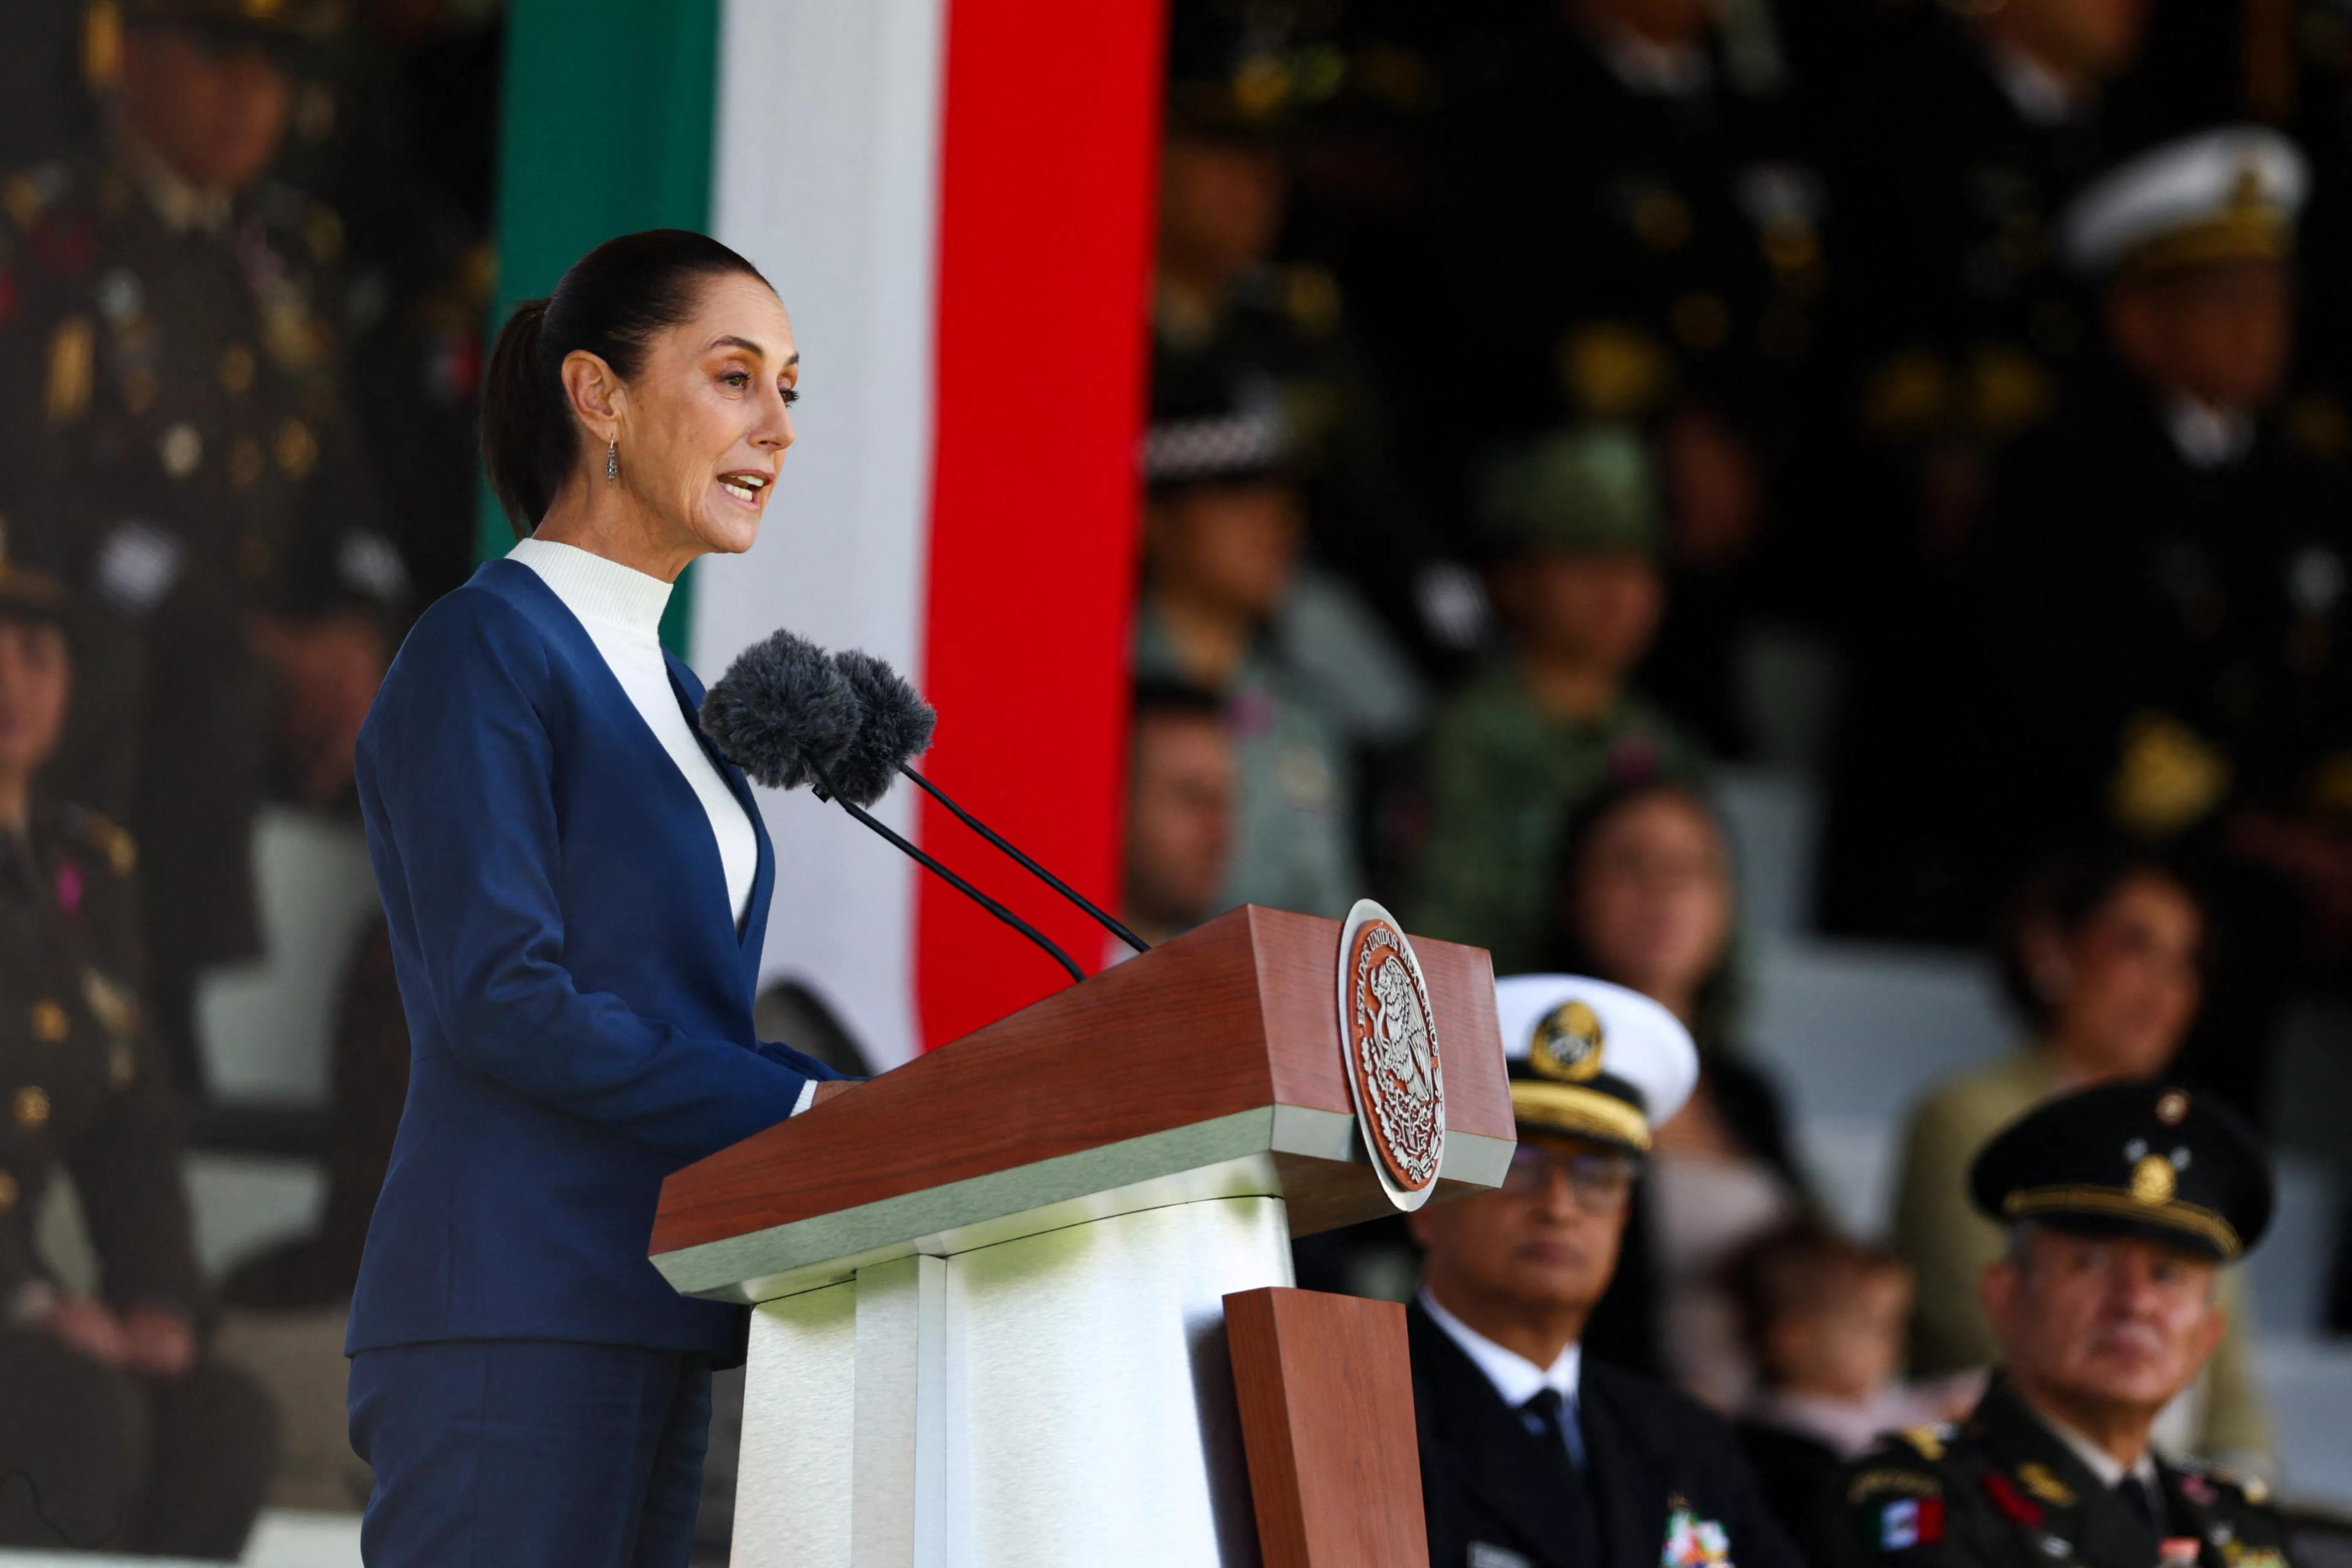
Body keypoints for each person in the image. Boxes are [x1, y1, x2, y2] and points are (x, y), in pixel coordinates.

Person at [341, 230, 853, 1568]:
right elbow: (504, 996)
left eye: (791, 388)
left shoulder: (690, 696)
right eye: (735, 376)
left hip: (654, 1303)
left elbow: (673, 1005)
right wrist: (794, 1106)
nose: (777, 427)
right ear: (600, 395)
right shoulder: (484, 647)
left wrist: (861, 1109)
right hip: (509, 1311)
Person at [0, 0, 408, 1094]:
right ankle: (162, 1046)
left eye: (276, 67)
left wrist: (363, 639)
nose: (250, 94)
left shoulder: (289, 251)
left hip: (291, 677)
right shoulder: (51, 232)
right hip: (148, 660)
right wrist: (265, 645)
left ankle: (391, 1095)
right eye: (220, 53)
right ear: (130, 47)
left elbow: (348, 492)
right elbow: (50, 507)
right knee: (180, 677)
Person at [1985, 127, 2352, 1117]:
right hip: (2117, 831)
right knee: (2217, 922)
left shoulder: (2307, 486)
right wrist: (2269, 833)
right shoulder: (2070, 468)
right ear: (2138, 319)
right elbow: (2065, 700)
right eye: (2226, 300)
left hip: (2277, 840)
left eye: (2273, 300)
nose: (2258, 329)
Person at [0, 540, 278, 1556]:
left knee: (221, 1424)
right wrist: (31, 1302)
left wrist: (155, 1301)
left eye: (38, 652)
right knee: (77, 1415)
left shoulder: (85, 875)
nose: (11, 680)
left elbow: (134, 1138)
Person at [1891, 845, 2272, 1472]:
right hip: (2012, 1467)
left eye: (2185, 962)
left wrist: (2240, 1488)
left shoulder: (2197, 1148)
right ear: (2051, 950)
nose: (2163, 987)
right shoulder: (1968, 1114)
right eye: (2135, 946)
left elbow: (2228, 1376)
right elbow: (1968, 1324)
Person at [1406, 971, 1801, 1568]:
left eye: (1596, 1176)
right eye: (1519, 1163)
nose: (1559, 1206)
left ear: (1623, 1215)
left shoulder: (1684, 1441)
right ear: (1428, 1197)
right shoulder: (1358, 1406)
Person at [1825, 1082, 2296, 1568]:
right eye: (2092, 1264)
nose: (2135, 1303)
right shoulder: (1923, 1498)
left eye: (2167, 1275)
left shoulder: (2241, 1521)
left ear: (2207, 1336)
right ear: (2004, 1295)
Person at [1544, 778, 1808, 1408]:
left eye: (1690, 869)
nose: (1661, 892)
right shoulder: (1531, 1073)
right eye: (1630, 864)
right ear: (1572, 892)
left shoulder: (1749, 1090)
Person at [1131, 364, 1423, 918]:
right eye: (1236, 494)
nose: (1277, 521)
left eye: (1284, 499)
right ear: (1155, 518)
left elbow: (1330, 920)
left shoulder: (1308, 709)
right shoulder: (1095, 688)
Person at [1413, 426, 1707, 974]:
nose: (1618, 589)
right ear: (1515, 580)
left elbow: (1715, 967)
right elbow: (1434, 942)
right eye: (1584, 560)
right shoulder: (1464, 737)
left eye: (1637, 564)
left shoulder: (1670, 749)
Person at [1727, 1223, 1977, 1553]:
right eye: (1874, 1326)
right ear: (1795, 1339)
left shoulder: (1875, 1400)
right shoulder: (1789, 1449)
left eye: (1898, 1324)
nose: (1896, 1343)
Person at [1118, 679, 1237, 950]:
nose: (1218, 831)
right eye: (1192, 798)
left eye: (1224, 802)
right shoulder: (1042, 974)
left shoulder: (1214, 984)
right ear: (1121, 800)